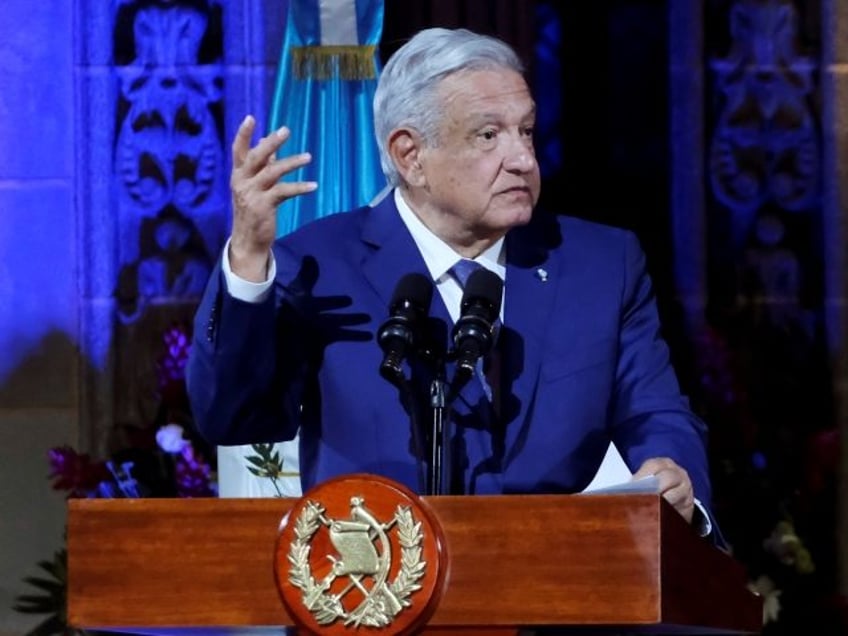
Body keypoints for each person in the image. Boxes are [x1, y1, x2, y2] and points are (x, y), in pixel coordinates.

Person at [187, 27, 719, 539]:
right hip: (375, 595)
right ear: (409, 156)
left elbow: (655, 411)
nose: (523, 159)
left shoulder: (601, 264)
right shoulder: (319, 265)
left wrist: (675, 474)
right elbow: (236, 418)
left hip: (557, 592)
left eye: (526, 131)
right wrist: (250, 265)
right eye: (489, 135)